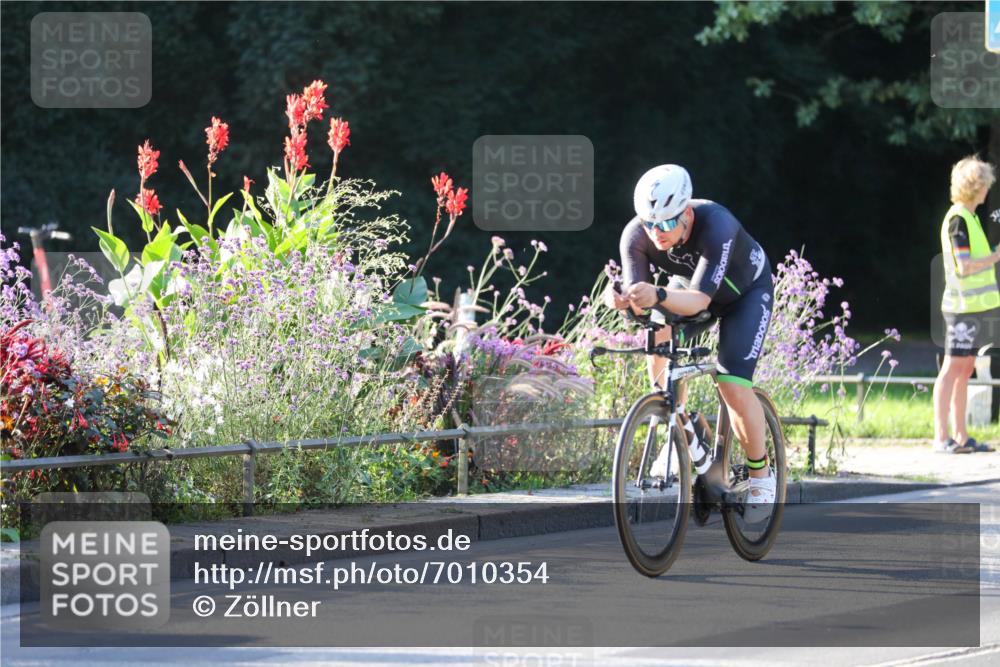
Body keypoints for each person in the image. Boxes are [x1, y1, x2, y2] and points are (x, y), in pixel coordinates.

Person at [603, 164, 775, 518]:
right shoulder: (635, 237)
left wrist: (659, 292)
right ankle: (675, 425)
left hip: (745, 295)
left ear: (688, 214)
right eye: (650, 224)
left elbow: (698, 300)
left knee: (731, 384)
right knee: (657, 330)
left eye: (666, 224)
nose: (656, 233)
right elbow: (643, 300)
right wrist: (619, 299)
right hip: (696, 292)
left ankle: (761, 476)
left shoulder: (717, 225)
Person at [933, 156, 999, 454]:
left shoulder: (969, 217)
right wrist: (997, 256)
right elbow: (965, 265)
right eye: (984, 182)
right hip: (960, 308)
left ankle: (961, 435)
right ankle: (941, 436)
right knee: (952, 368)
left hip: (972, 308)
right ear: (976, 186)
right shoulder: (959, 218)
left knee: (965, 368)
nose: (988, 188)